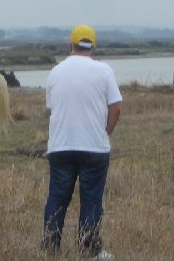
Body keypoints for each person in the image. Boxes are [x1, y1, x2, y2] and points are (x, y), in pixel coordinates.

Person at [42, 25, 122, 260]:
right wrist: (104, 132)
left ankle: (50, 248)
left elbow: (51, 107)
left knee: (57, 198)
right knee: (91, 200)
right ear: (93, 46)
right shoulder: (104, 71)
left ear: (71, 45)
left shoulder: (55, 71)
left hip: (60, 147)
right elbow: (116, 107)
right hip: (93, 148)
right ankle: (89, 250)